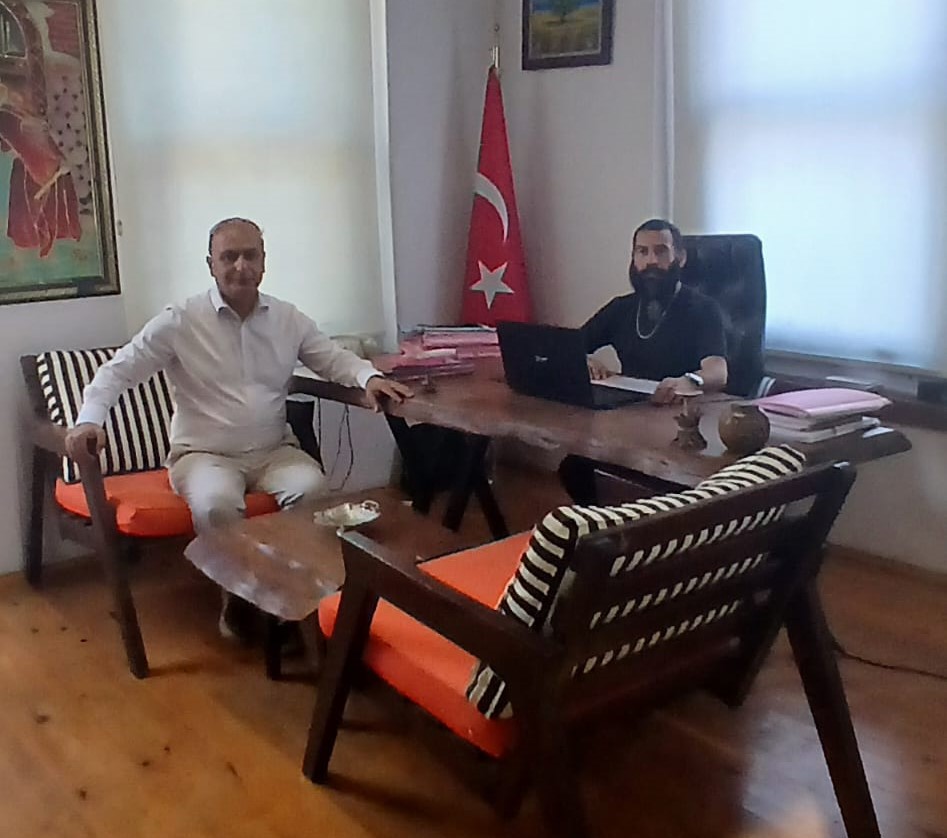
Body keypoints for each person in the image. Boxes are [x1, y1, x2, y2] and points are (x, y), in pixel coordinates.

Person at [64, 217, 412, 637]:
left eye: (251, 255)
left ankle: (302, 600)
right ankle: (238, 604)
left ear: (264, 262)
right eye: (229, 257)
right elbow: (117, 372)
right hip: (203, 455)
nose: (241, 266)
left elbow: (332, 358)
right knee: (216, 503)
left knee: (312, 489)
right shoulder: (180, 320)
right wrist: (88, 421)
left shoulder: (287, 318)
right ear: (210, 264)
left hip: (274, 450)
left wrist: (368, 378)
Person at [558, 218, 728, 503]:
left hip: (678, 423)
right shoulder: (621, 308)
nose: (651, 261)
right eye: (642, 252)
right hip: (631, 419)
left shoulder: (703, 309)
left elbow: (718, 371)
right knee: (576, 467)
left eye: (661, 251)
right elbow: (570, 346)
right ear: (633, 258)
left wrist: (689, 380)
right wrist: (584, 360)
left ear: (680, 257)